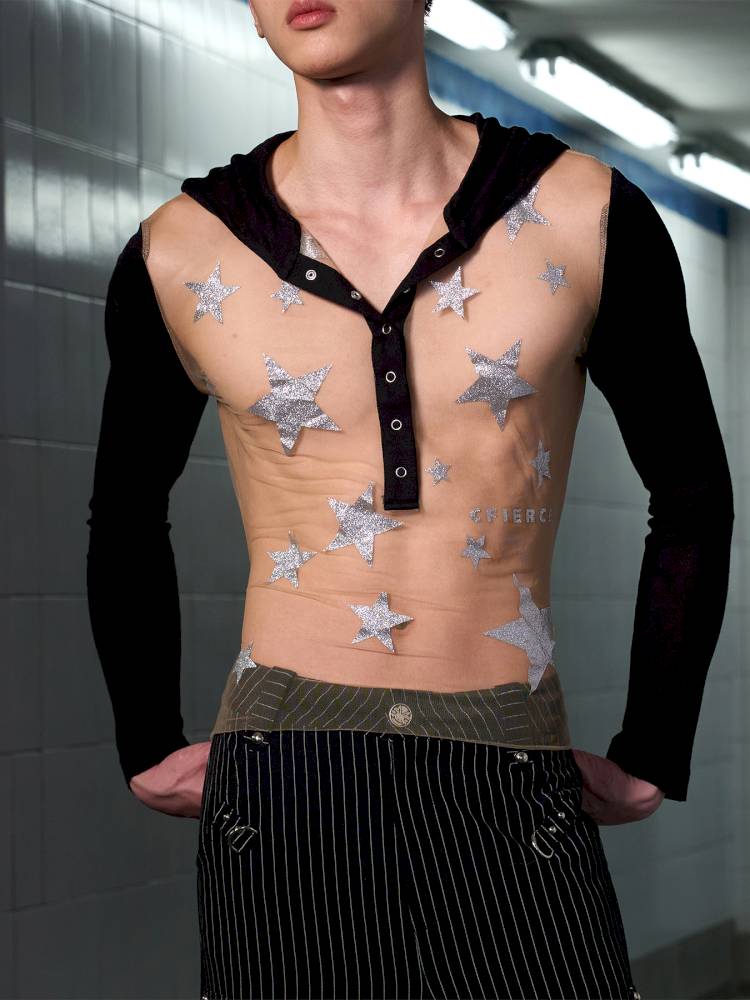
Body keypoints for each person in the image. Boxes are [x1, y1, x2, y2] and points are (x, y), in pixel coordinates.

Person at [85, 1, 734, 997]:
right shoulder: (180, 250)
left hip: (508, 759)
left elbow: (690, 494)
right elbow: (125, 512)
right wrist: (144, 735)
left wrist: (656, 741)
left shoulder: (582, 212)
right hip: (284, 764)